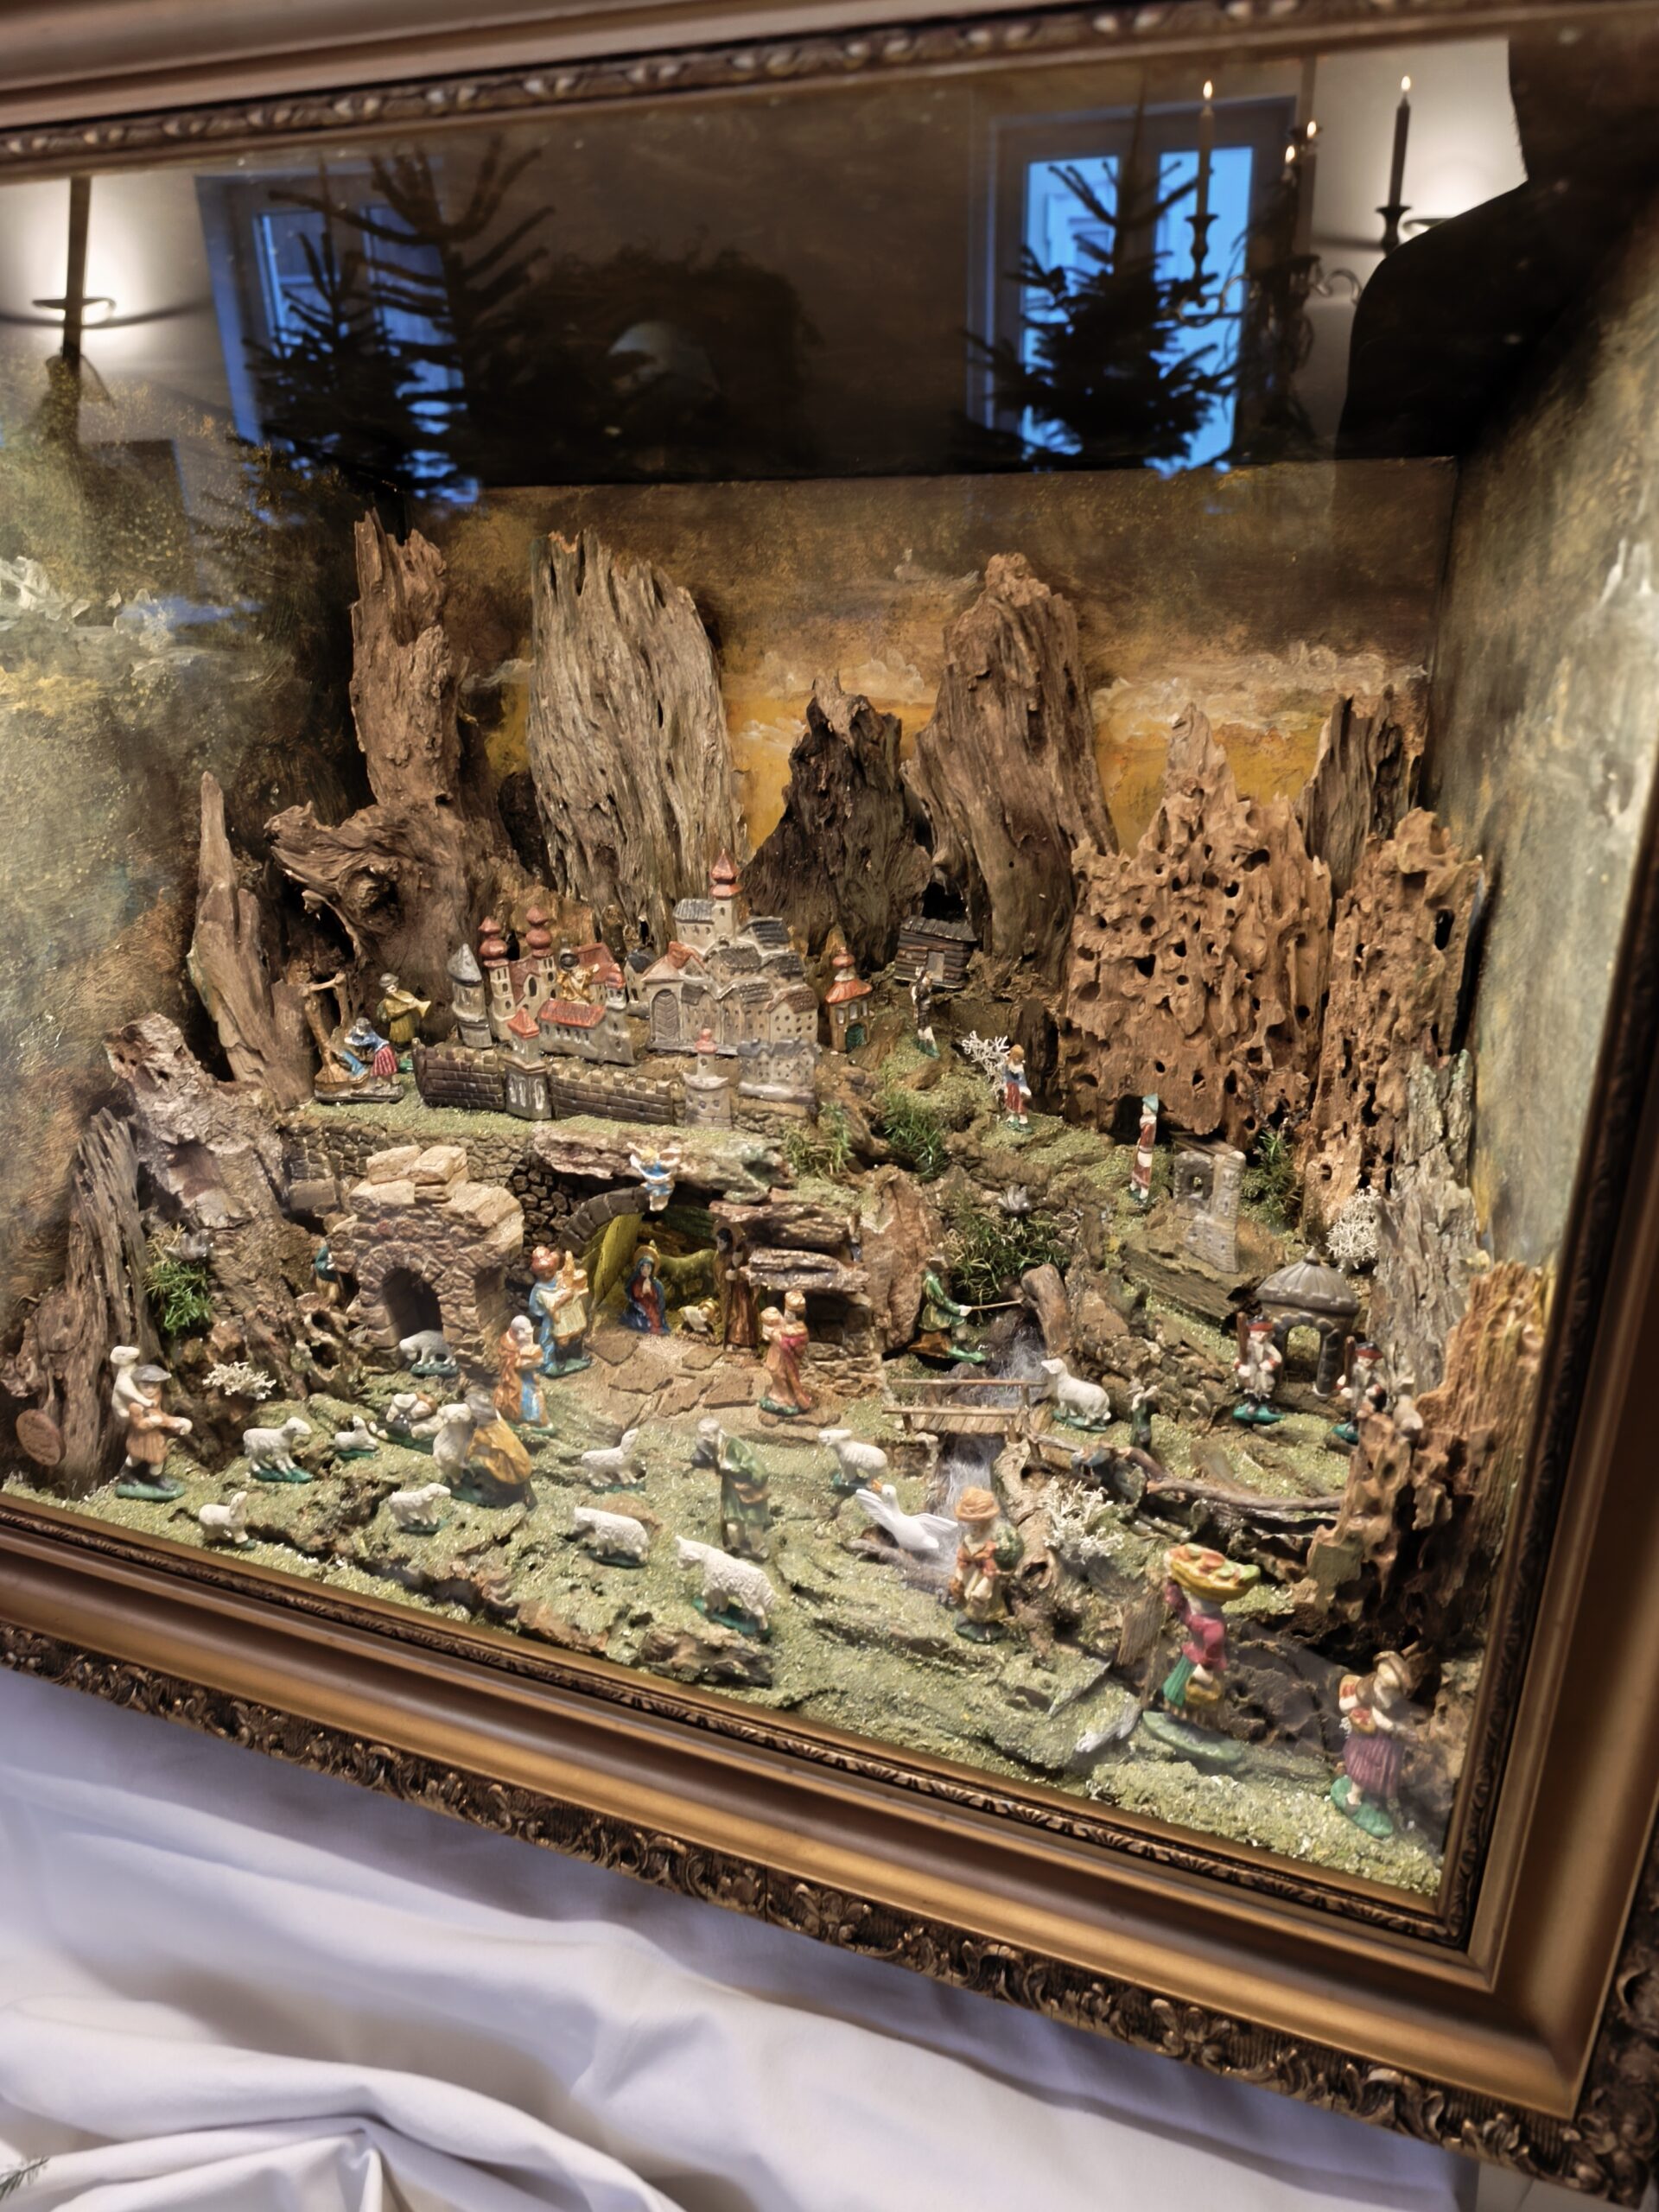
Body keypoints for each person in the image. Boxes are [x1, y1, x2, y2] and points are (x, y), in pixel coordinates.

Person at [1332, 1652, 1414, 1840]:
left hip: (1388, 1746)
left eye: (1389, 1687)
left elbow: (1399, 1720)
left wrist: (1401, 1729)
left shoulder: (1397, 1704)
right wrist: (1347, 1705)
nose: (1382, 1687)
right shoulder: (1370, 1688)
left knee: (1382, 1773)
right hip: (1369, 1741)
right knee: (1363, 1771)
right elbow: (1361, 1706)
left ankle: (1374, 1797)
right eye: (1381, 1681)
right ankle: (1353, 1798)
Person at [109, 1345, 192, 1501]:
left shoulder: (155, 1399)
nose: (150, 1390)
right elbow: (139, 1425)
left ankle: (155, 1478)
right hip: (140, 1438)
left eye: (154, 1386)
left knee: (158, 1457)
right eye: (146, 1386)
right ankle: (125, 1473)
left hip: (154, 1438)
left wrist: (177, 1422)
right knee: (136, 1457)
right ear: (139, 1385)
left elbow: (161, 1416)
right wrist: (151, 1422)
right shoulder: (135, 1406)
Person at [947, 1486, 1023, 1640]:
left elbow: (1004, 1556)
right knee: (968, 1594)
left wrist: (992, 1568)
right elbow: (966, 1551)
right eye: (970, 1524)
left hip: (987, 1576)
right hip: (973, 1571)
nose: (971, 1527)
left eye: (974, 1524)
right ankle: (971, 1617)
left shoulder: (997, 1534)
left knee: (982, 1599)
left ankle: (989, 1622)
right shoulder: (971, 1535)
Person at [695, 1418, 772, 1560]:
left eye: (706, 1436)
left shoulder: (736, 1447)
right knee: (733, 1525)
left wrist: (733, 1467)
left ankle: (758, 1548)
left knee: (754, 1524)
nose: (704, 1440)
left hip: (750, 1489)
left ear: (714, 1434)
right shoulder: (713, 1448)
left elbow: (760, 1472)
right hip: (731, 1490)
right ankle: (736, 1548)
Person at [760, 1289, 814, 1415]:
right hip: (779, 1357)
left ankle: (787, 1399)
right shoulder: (788, 1325)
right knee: (776, 1374)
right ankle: (777, 1394)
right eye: (786, 1311)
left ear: (797, 1315)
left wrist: (775, 1335)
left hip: (788, 1362)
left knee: (782, 1376)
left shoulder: (799, 1330)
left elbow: (787, 1344)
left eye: (789, 1313)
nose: (786, 1315)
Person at [495, 1317, 547, 1428]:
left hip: (527, 1376)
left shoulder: (521, 1338)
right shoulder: (507, 1344)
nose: (529, 1337)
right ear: (517, 1332)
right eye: (527, 1334)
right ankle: (523, 1419)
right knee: (525, 1397)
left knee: (534, 1393)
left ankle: (535, 1420)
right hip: (515, 1380)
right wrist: (526, 1362)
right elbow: (509, 1365)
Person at [624, 1245, 669, 1335]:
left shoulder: (656, 1283)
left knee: (655, 1320)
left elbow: (658, 1299)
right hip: (639, 1307)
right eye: (643, 1268)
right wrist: (642, 1293)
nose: (645, 1270)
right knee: (644, 1322)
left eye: (648, 1268)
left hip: (651, 1307)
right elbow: (635, 1294)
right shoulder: (637, 1281)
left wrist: (651, 1293)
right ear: (639, 1268)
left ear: (652, 1269)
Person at [1001, 1045, 1031, 1130]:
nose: (1017, 1059)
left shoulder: (1020, 1067)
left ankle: (1023, 1121)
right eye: (1016, 1056)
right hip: (1010, 1087)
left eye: (1019, 1057)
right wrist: (1005, 1086)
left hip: (1019, 1088)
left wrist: (1024, 1089)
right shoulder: (1008, 1065)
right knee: (1010, 1104)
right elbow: (1005, 1075)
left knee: (1021, 1105)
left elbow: (1022, 1080)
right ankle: (1011, 1119)